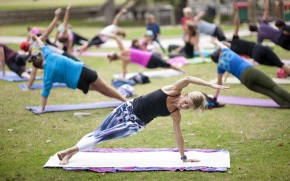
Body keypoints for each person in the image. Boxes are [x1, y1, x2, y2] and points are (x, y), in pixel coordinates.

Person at [56, 76, 229, 165]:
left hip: (135, 124)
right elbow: (189, 78)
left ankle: (66, 151)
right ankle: (69, 155)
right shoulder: (173, 89)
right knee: (98, 132)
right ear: (185, 94)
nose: (183, 106)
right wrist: (212, 86)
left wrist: (183, 157)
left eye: (187, 107)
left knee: (103, 136)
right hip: (126, 107)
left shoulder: (176, 114)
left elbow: (179, 136)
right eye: (186, 102)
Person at [30, 34, 127, 113]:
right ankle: (124, 100)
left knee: (101, 90)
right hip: (83, 71)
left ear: (39, 68)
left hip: (78, 83)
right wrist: (35, 37)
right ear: (42, 58)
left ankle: (123, 100)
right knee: (105, 87)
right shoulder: (48, 54)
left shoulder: (47, 76)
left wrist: (42, 108)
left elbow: (45, 93)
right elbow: (41, 44)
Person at [210, 38, 290, 107]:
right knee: (273, 87)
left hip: (244, 81)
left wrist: (215, 98)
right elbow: (220, 44)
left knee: (268, 92)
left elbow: (219, 83)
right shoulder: (225, 51)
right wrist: (215, 41)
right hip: (250, 71)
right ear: (219, 52)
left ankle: (285, 104)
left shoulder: (220, 66)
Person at [22, 8, 83, 90]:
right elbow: (33, 73)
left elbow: (48, 31)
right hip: (59, 60)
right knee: (76, 67)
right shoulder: (34, 53)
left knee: (79, 65)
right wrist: (28, 88)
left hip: (61, 56)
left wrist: (56, 17)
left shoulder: (35, 45)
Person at [224, 2, 290, 75]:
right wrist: (236, 11)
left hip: (256, 56)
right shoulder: (234, 40)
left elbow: (233, 64)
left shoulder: (232, 52)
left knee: (279, 65)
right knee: (281, 64)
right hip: (259, 48)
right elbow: (237, 24)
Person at [106, 35, 185, 79]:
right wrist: (112, 36)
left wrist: (123, 78)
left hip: (149, 65)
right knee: (167, 65)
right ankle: (182, 70)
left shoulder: (124, 61)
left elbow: (124, 71)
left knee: (165, 65)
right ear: (115, 54)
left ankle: (179, 69)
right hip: (151, 57)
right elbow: (118, 40)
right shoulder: (124, 51)